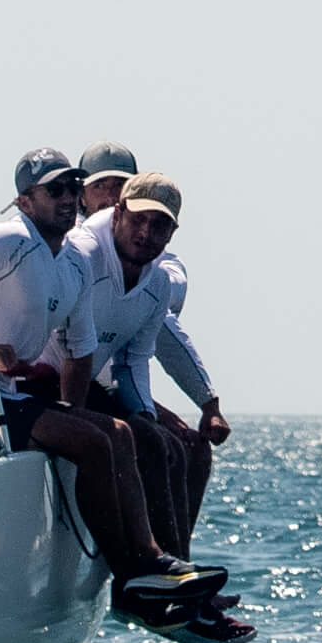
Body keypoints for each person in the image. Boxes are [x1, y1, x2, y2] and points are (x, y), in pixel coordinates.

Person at [0, 149, 214, 618]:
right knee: (98, 441)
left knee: (117, 434)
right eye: (54, 190)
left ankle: (144, 568)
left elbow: (80, 349)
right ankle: (137, 569)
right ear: (25, 201)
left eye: (74, 188)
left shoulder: (71, 262)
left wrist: (76, 416)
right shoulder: (11, 239)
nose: (69, 198)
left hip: (10, 400)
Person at [56, 172, 252, 643]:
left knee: (172, 442)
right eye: (139, 220)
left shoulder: (158, 279)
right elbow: (70, 345)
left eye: (159, 226)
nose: (146, 233)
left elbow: (136, 359)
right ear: (117, 213)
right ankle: (148, 578)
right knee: (139, 438)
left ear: (172, 232)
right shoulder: (84, 253)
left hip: (92, 381)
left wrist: (164, 410)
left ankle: (178, 582)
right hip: (44, 381)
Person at [76, 139, 230, 544]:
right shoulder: (77, 250)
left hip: (106, 381)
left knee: (188, 445)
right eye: (99, 186)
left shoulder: (154, 264)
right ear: (80, 195)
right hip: (64, 383)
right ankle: (149, 556)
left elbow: (159, 329)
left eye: (120, 185)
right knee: (146, 439)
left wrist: (207, 402)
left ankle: (176, 560)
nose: (110, 195)